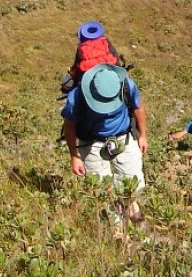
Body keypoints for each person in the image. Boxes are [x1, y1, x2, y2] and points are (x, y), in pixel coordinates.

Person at [61, 63, 149, 220]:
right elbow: (69, 125)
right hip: (92, 142)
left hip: (124, 136)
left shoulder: (126, 85)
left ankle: (134, 217)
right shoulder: (77, 95)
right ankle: (116, 228)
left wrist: (142, 135)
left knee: (133, 181)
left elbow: (138, 108)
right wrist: (74, 155)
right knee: (101, 188)